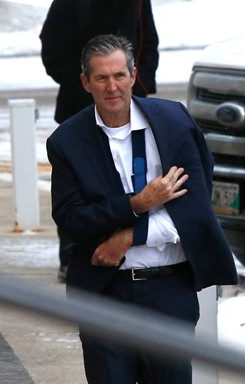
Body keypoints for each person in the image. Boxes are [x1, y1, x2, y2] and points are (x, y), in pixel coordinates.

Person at [46, 34, 238, 384]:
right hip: (105, 293)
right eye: (101, 78)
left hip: (168, 291)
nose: (112, 87)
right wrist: (137, 204)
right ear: (85, 83)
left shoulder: (173, 121)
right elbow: (72, 221)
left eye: (120, 75)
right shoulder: (66, 141)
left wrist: (132, 234)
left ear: (135, 75)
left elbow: (196, 204)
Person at [40, 0, 159, 283]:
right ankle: (71, 255)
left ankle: (129, 246)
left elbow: (147, 40)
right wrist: (84, 86)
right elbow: (52, 45)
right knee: (79, 187)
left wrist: (139, 86)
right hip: (78, 105)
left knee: (129, 179)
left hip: (128, 103)